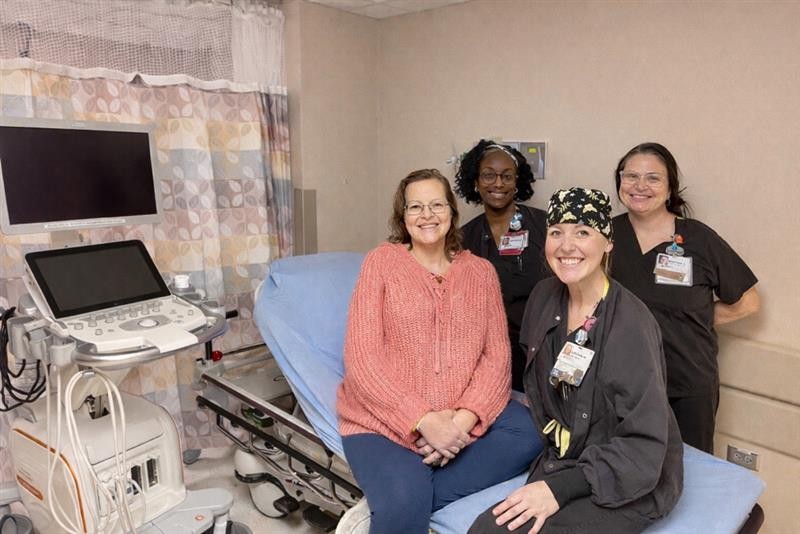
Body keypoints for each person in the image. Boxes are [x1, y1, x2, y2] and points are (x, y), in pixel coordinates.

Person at [337, 169, 541, 534]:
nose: (426, 215)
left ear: (451, 211)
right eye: (415, 207)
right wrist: (423, 420)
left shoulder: (481, 272)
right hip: (383, 418)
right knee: (403, 504)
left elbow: (496, 358)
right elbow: (362, 359)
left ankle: (404, 494)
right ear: (402, 216)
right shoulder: (381, 263)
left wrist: (461, 423)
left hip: (458, 410)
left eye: (436, 205)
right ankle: (402, 497)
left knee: (530, 433)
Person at [470, 188, 683, 534]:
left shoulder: (630, 324)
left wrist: (561, 488)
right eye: (556, 232)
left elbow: (643, 445)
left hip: (625, 474)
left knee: (492, 531)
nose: (566, 246)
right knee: (488, 528)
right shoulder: (543, 298)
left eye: (583, 232)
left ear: (607, 242)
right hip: (566, 458)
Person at [610, 142, 760, 453]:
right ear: (620, 181)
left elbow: (749, 301)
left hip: (687, 382)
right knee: (627, 464)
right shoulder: (604, 238)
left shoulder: (698, 239)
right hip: (621, 382)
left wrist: (695, 317)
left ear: (669, 189)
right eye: (631, 176)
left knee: (691, 468)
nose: (640, 186)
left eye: (653, 178)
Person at [456, 140, 549, 392]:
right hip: (485, 356)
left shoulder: (544, 226)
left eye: (507, 176)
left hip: (539, 351)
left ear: (517, 182)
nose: (498, 183)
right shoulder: (463, 238)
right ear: (475, 182)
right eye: (489, 175)